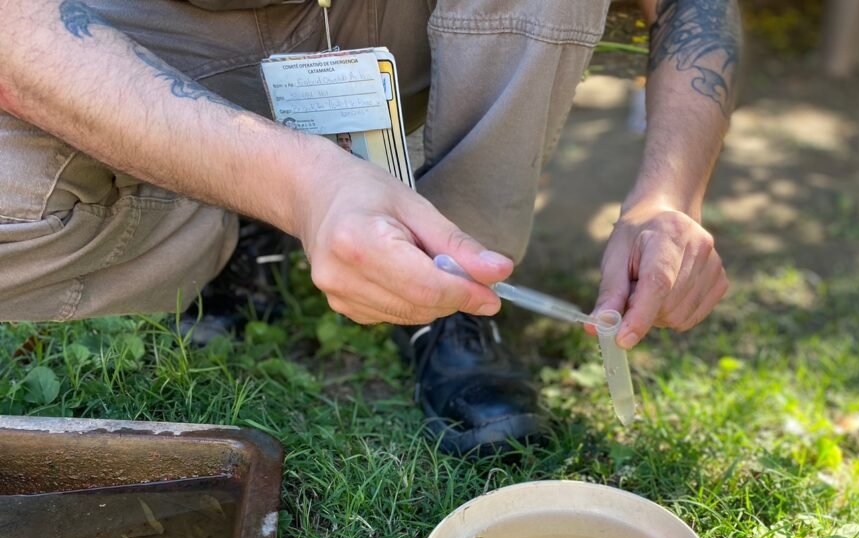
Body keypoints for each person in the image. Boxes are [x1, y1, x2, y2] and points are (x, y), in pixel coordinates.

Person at [0, 0, 738, 455]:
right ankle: (233, 214)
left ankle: (450, 267)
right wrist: (296, 186)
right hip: (138, 33)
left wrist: (667, 196)